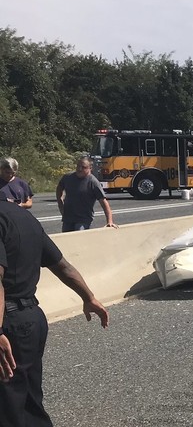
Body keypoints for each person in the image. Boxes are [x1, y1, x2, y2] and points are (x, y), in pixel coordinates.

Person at [0, 201, 110, 426]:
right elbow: (62, 266)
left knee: (8, 408)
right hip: (32, 320)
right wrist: (88, 297)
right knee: (30, 402)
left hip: (8, 324)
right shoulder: (23, 217)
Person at [56, 157, 117, 232]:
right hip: (68, 218)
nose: (80, 169)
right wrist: (60, 201)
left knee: (79, 238)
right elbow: (59, 187)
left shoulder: (93, 182)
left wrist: (109, 221)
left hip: (83, 220)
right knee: (66, 240)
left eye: (83, 167)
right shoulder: (68, 177)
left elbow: (104, 202)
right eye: (78, 166)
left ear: (90, 168)